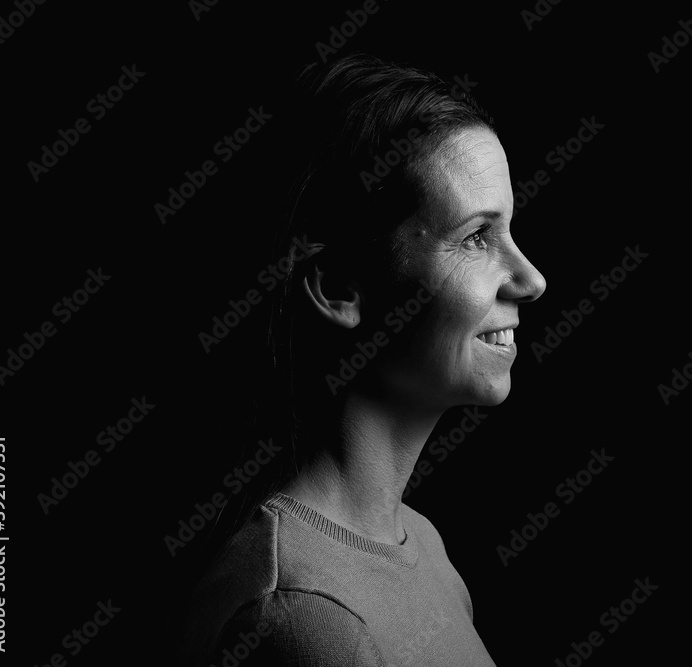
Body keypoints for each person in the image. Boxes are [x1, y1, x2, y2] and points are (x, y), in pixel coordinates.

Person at [175, 53, 546, 666]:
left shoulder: (419, 544)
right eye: (477, 237)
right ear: (341, 289)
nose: (531, 279)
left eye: (509, 230)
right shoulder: (306, 614)